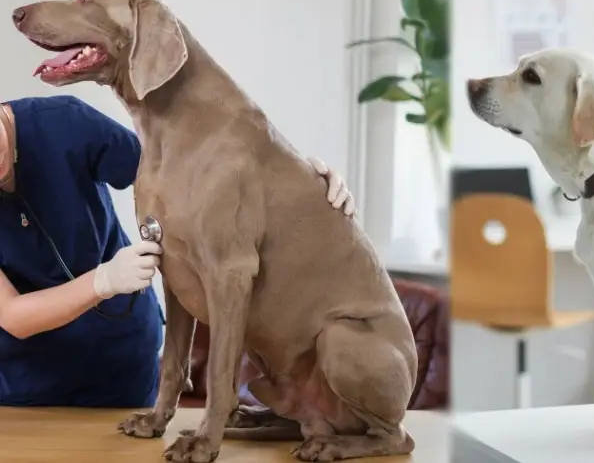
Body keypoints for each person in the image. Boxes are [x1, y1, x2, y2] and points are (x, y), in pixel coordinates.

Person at [0, 95, 355, 407]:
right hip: (28, 382)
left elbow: (188, 176)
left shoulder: (65, 123)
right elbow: (13, 316)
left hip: (120, 365)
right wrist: (103, 280)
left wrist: (303, 186)